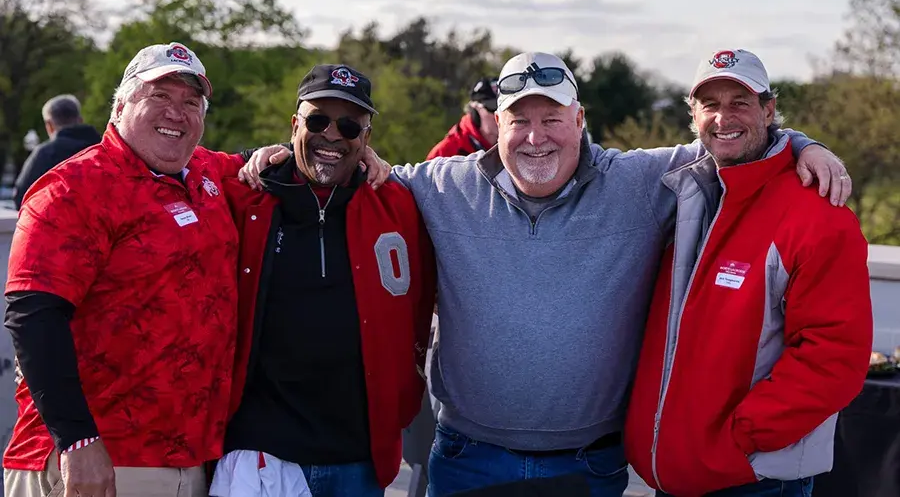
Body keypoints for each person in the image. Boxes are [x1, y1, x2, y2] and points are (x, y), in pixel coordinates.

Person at [241, 52, 850, 497]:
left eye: (552, 119)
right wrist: (272, 156)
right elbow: (341, 161)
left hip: (588, 465)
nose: (536, 138)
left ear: (579, 120)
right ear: (494, 126)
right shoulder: (443, 184)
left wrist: (803, 143)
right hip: (467, 458)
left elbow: (733, 137)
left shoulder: (638, 182)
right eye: (518, 121)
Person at [624, 49, 873, 497]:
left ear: (769, 109)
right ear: (693, 115)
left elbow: (835, 358)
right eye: (710, 105)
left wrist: (739, 440)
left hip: (752, 480)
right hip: (676, 477)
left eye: (740, 102)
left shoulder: (817, 214)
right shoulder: (682, 194)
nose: (724, 117)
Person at [3, 42, 246, 497]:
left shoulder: (205, 172)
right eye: (160, 96)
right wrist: (78, 440)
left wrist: (361, 157)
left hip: (187, 459)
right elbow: (33, 316)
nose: (177, 112)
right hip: (97, 462)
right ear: (120, 106)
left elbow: (278, 162)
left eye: (191, 102)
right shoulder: (74, 187)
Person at [209, 64, 436, 497]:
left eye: (350, 125)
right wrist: (248, 157)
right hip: (260, 453)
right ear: (295, 124)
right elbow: (181, 165)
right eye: (318, 120)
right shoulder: (245, 194)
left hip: (358, 459)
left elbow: (422, 301)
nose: (332, 135)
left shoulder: (398, 203)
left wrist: (402, 401)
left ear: (366, 138)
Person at [13, 95, 101, 209]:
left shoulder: (45, 154)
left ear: (49, 125)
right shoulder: (103, 148)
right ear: (80, 120)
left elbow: (21, 197)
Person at [426, 77, 499, 160]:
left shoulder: (514, 145)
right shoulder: (445, 153)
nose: (500, 114)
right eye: (494, 108)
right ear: (474, 110)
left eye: (508, 108)